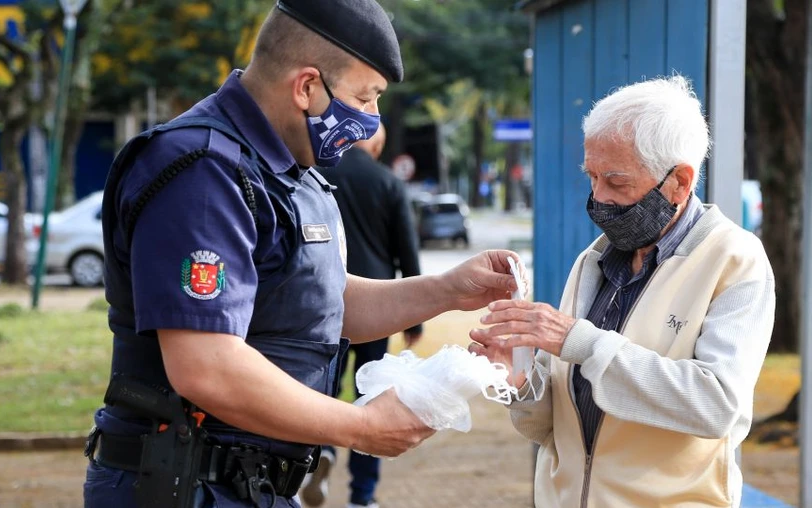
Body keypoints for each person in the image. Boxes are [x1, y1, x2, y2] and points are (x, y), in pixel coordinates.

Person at [82, 1, 521, 507]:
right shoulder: (203, 172)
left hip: (254, 485)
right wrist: (359, 425)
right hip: (185, 483)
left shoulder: (291, 170)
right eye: (364, 97)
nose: (372, 119)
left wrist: (445, 290)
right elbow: (205, 365)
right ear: (307, 86)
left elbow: (320, 305)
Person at [469, 76, 775, 508]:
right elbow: (552, 429)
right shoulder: (592, 262)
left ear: (680, 183)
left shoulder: (736, 260)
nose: (598, 199)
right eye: (591, 177)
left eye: (616, 182)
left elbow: (717, 406)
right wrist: (520, 381)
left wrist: (580, 341)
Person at [305, 123, 423, 508]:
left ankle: (318, 453)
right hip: (378, 306)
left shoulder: (317, 176)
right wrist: (413, 318)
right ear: (374, 144)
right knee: (371, 396)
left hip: (325, 303)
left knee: (322, 388)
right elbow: (406, 251)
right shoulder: (387, 182)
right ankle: (362, 496)